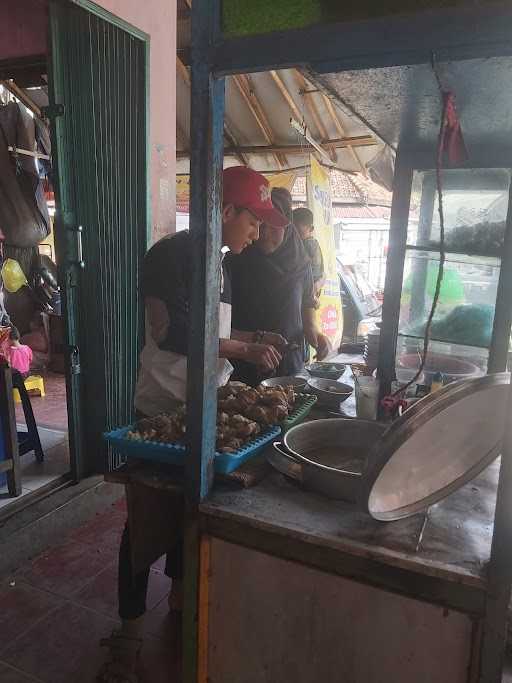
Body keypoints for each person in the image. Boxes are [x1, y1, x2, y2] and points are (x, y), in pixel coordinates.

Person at [98, 166, 289, 683]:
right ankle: (130, 634)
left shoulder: (222, 263)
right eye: (254, 220)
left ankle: (182, 602)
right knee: (144, 524)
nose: (258, 231)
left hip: (206, 403)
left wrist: (253, 334)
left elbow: (214, 332)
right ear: (226, 211)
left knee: (194, 510)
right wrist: (244, 347)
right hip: (163, 409)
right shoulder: (170, 256)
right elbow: (173, 331)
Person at [228, 187, 330, 387]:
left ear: (287, 225)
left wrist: (318, 337)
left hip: (289, 367)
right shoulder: (235, 259)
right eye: (260, 224)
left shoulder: (301, 263)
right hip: (242, 365)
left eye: (274, 226)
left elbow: (308, 320)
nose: (263, 234)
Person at [293, 207, 325, 300]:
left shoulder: (308, 244)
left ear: (311, 229)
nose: (295, 234)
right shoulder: (313, 243)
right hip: (312, 287)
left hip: (309, 288)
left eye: (299, 231)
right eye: (293, 230)